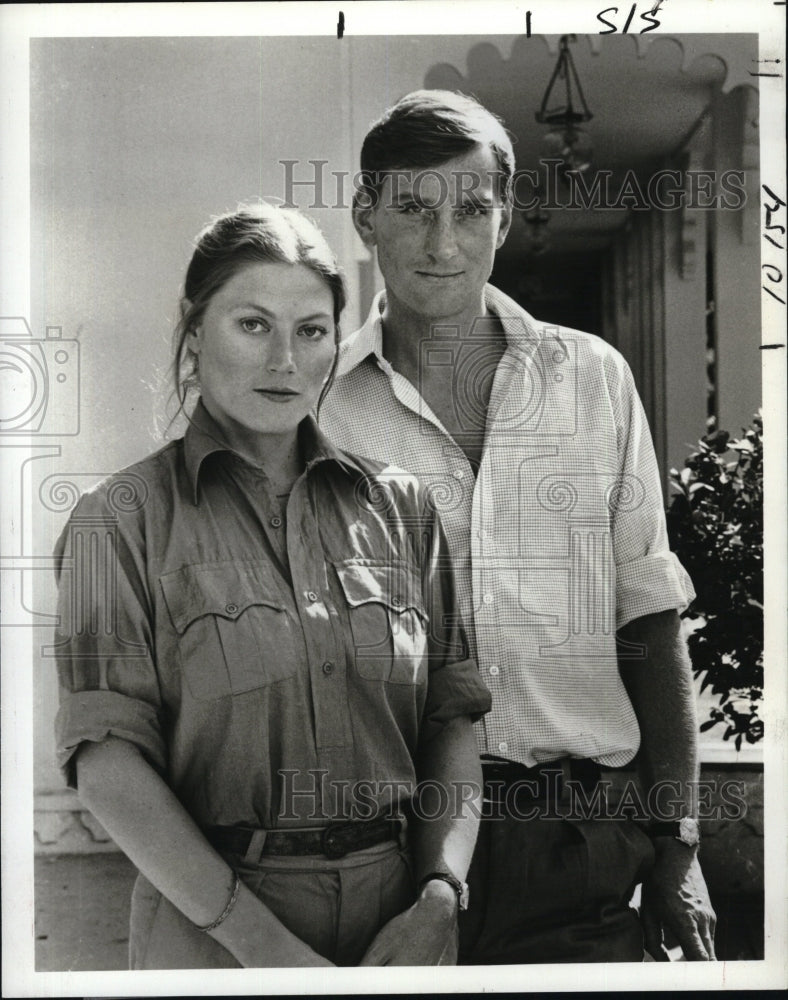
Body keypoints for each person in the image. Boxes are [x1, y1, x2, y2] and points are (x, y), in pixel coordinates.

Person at [319, 90, 717, 963]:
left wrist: (678, 841)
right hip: (391, 844)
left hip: (582, 838)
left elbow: (650, 614)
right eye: (413, 208)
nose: (442, 244)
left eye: (471, 209)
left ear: (505, 217)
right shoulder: (321, 410)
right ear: (364, 215)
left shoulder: (592, 379)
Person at [53, 203, 491, 969]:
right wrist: (268, 952)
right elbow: (106, 763)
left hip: (400, 927)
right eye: (253, 325)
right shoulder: (117, 520)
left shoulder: (404, 507)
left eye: (311, 330)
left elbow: (451, 721)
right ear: (194, 331)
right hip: (211, 932)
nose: (285, 359)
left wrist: (439, 894)